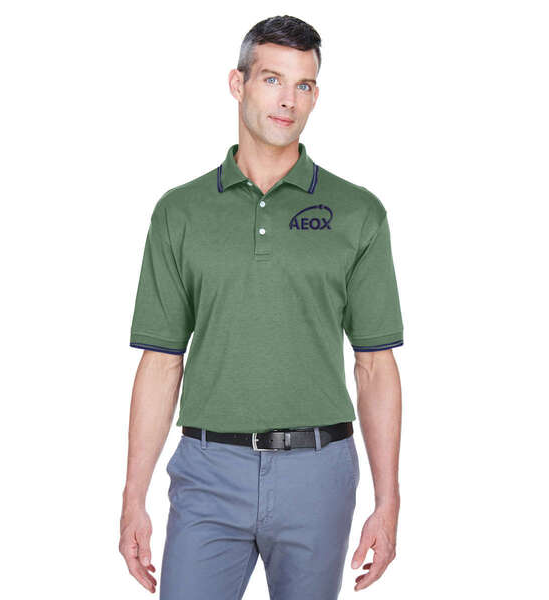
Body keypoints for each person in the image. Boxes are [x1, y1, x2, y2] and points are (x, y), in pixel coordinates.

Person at [119, 14, 404, 599]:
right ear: (238, 83)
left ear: (316, 95)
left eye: (304, 85)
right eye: (273, 79)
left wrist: (388, 500)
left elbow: (375, 365)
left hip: (319, 473)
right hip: (208, 469)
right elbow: (161, 361)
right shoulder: (180, 212)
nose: (288, 100)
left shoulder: (358, 213)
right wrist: (133, 498)